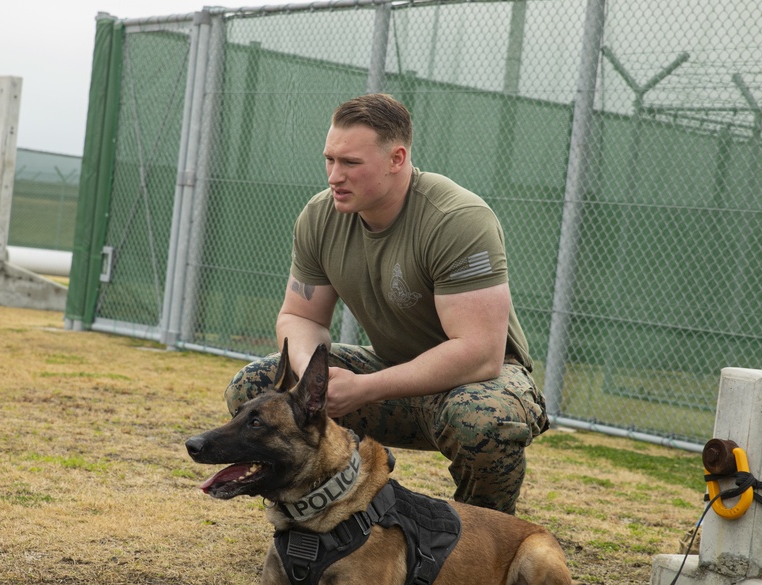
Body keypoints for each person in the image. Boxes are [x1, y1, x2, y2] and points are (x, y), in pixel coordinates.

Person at [225, 93, 548, 514]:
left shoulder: (457, 218)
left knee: (481, 417)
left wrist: (364, 388)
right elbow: (299, 315)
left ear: (397, 158)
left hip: (472, 383)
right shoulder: (321, 216)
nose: (334, 176)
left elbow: (480, 354)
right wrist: (313, 382)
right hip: (390, 374)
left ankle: (486, 543)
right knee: (254, 388)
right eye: (330, 160)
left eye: (351, 164)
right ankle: (318, 521)